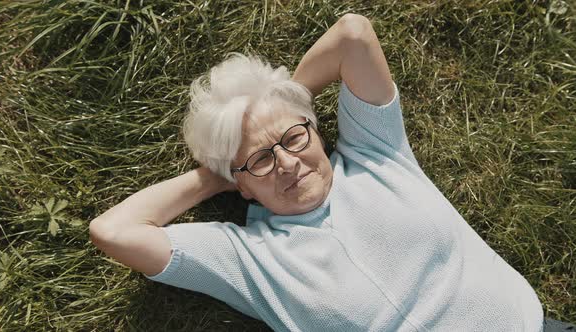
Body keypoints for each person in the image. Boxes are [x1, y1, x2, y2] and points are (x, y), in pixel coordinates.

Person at [89, 13, 567, 331]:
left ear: (314, 131)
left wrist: (280, 103)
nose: (289, 163)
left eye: (295, 139)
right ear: (244, 187)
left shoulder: (376, 156)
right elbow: (113, 231)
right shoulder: (252, 260)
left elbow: (353, 35)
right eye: (261, 161)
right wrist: (215, 175)